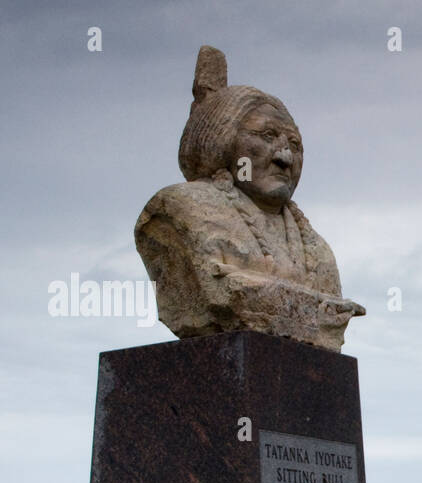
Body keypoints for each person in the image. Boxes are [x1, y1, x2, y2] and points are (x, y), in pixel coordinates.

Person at [135, 46, 365, 352]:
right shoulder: (181, 209)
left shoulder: (318, 251)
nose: (285, 156)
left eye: (294, 144)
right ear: (224, 142)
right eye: (267, 136)